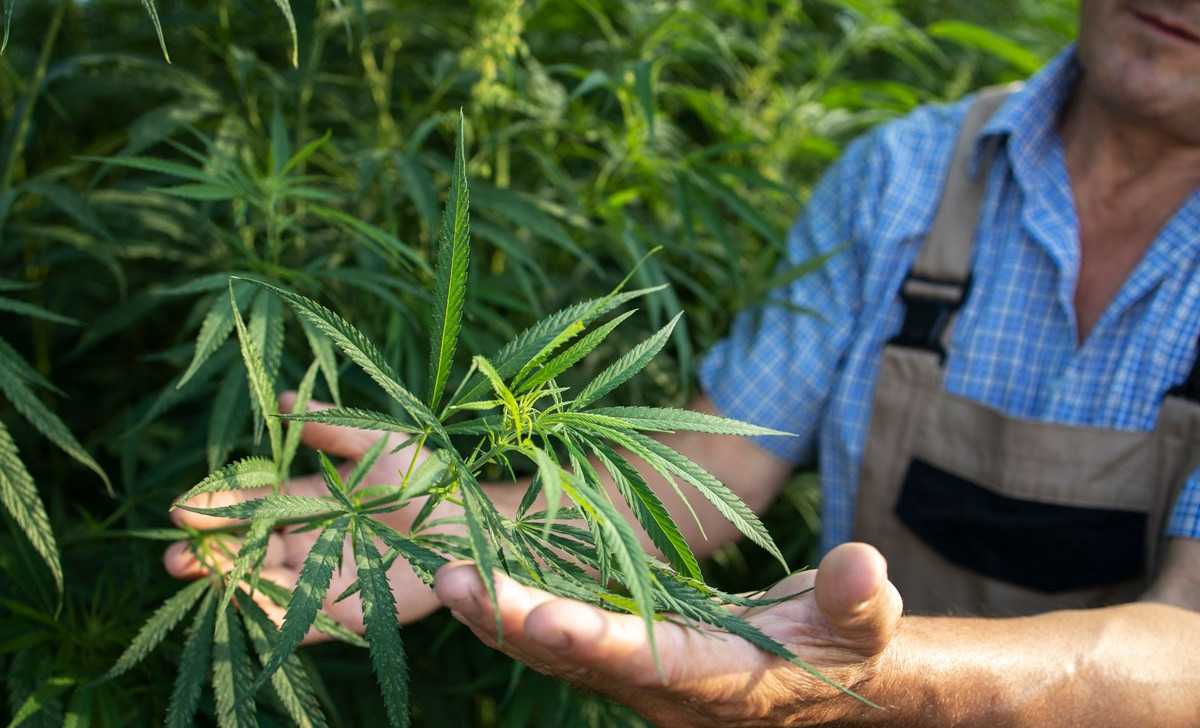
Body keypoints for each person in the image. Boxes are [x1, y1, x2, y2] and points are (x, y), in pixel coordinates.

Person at [166, 0, 1200, 724]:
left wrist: (860, 681)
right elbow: (705, 481)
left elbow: (1186, 650)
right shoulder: (905, 173)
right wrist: (465, 519)